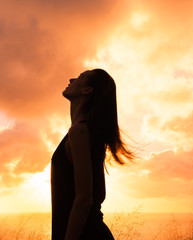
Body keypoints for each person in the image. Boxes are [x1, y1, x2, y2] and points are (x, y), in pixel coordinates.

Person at [51, 69, 134, 240]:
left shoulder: (80, 132)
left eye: (80, 77)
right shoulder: (87, 132)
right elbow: (99, 194)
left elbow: (84, 199)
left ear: (87, 90)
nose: (71, 78)